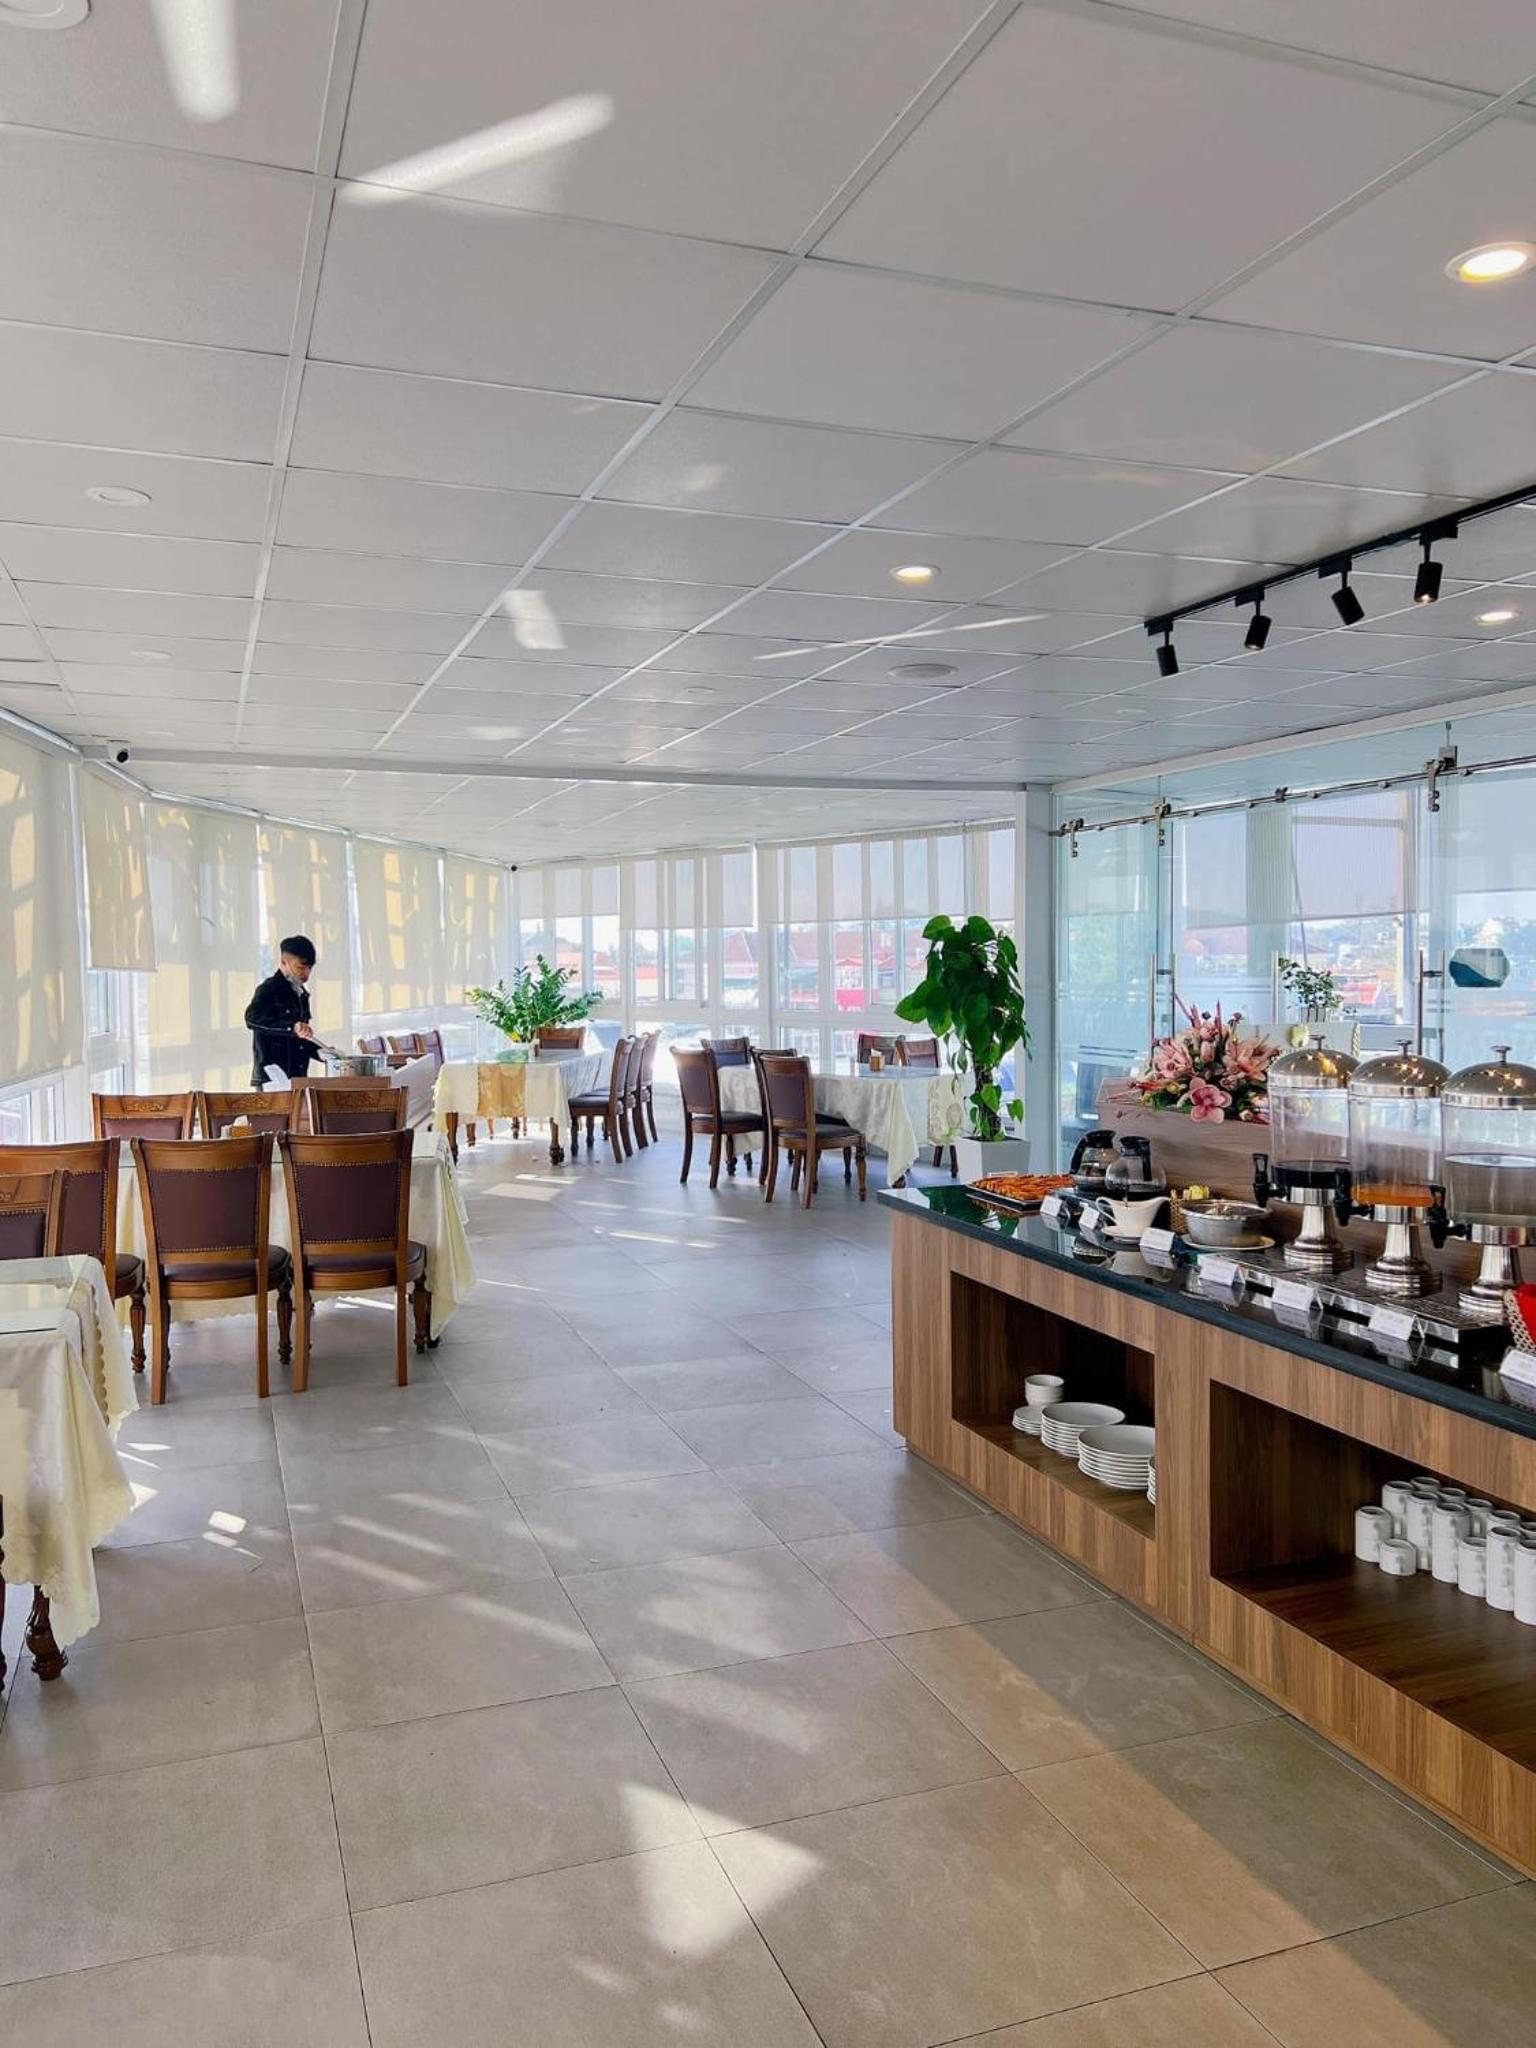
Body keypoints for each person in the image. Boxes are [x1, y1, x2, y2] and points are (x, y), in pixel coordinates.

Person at [245, 935, 320, 1087]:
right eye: (300, 967)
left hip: (297, 1077)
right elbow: (251, 1018)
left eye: (310, 968)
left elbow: (301, 1039)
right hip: (272, 1079)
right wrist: (292, 1027)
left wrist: (322, 1053)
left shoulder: (302, 995)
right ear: (284, 962)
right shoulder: (268, 989)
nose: (306, 974)